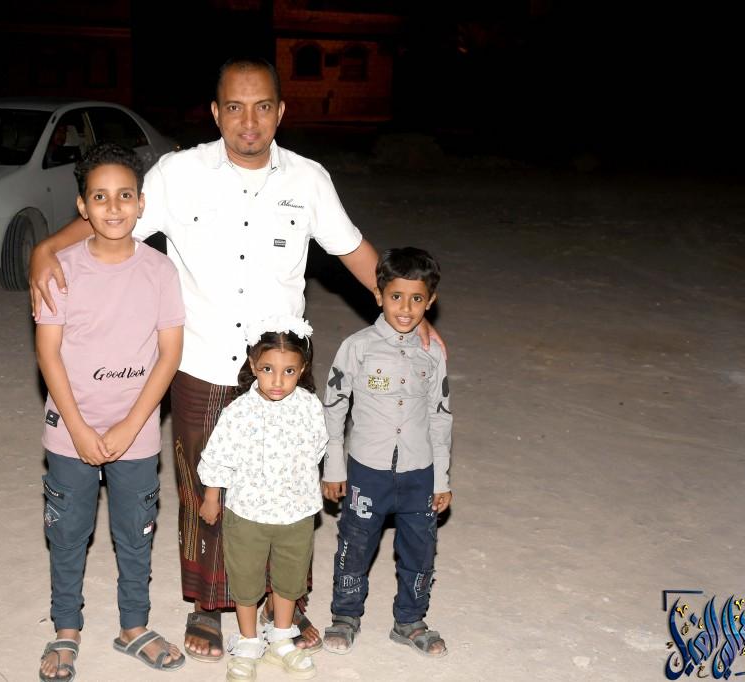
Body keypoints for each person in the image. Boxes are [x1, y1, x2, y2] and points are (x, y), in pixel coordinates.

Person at [29, 57, 444, 661]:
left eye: (262, 107)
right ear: (215, 112)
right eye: (234, 107)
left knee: (286, 486)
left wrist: (411, 314)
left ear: (280, 111)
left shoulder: (308, 179)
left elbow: (355, 251)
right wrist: (46, 248)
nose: (248, 121)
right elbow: (111, 217)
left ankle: (284, 602)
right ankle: (207, 605)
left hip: (281, 366)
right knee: (204, 488)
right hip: (199, 358)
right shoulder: (178, 173)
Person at [35, 142, 186, 680]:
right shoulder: (60, 270)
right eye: (100, 197)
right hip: (70, 430)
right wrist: (77, 427)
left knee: (135, 532)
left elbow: (169, 354)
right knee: (68, 533)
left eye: (125, 195)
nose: (114, 207)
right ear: (82, 206)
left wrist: (131, 424)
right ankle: (65, 630)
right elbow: (48, 352)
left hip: (135, 431)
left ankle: (133, 627)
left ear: (142, 203)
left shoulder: (161, 271)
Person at [320, 247, 453, 658]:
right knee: (355, 544)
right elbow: (334, 405)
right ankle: (345, 615)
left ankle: (410, 620)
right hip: (368, 468)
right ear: (378, 295)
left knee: (420, 549)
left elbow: (440, 415)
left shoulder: (433, 353)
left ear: (430, 301)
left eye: (417, 299)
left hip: (419, 469)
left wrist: (441, 477)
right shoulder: (357, 347)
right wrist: (333, 465)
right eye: (396, 296)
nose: (406, 308)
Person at [197, 316, 327, 681]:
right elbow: (218, 455)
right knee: (246, 579)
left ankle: (282, 637)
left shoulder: (309, 407)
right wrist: (212, 496)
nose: (277, 381)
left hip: (296, 512)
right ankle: (249, 640)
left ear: (302, 369)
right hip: (247, 513)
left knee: (289, 577)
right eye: (268, 369)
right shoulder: (239, 411)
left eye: (289, 371)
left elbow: (317, 448)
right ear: (253, 365)